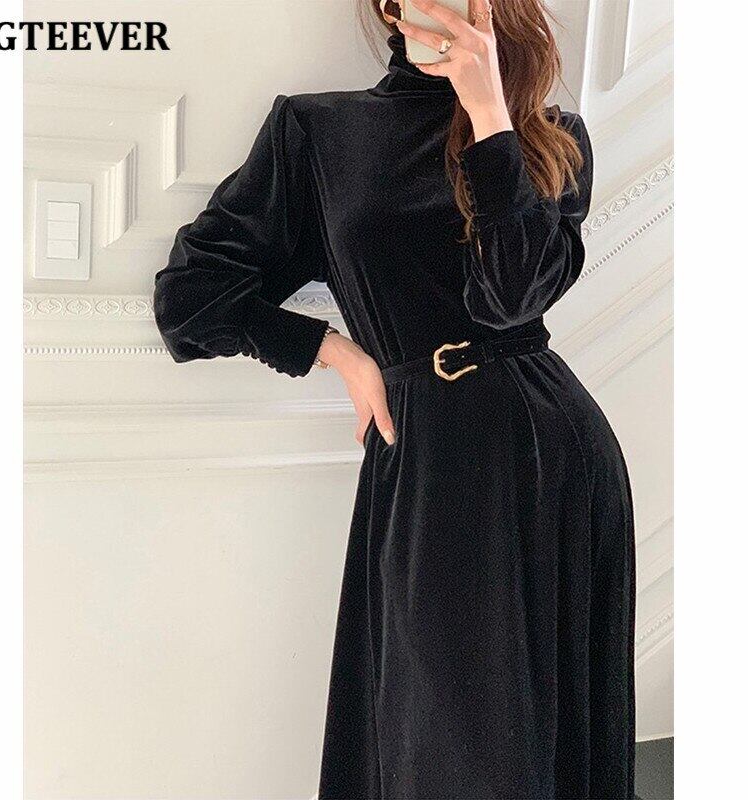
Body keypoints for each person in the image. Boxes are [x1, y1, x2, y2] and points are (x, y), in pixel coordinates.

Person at [153, 1, 635, 797]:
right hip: (426, 459)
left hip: (550, 455)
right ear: (389, 4)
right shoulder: (318, 133)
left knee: (548, 745)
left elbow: (511, 297)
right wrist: (333, 351)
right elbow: (188, 298)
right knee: (436, 741)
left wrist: (489, 112)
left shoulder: (550, 138)